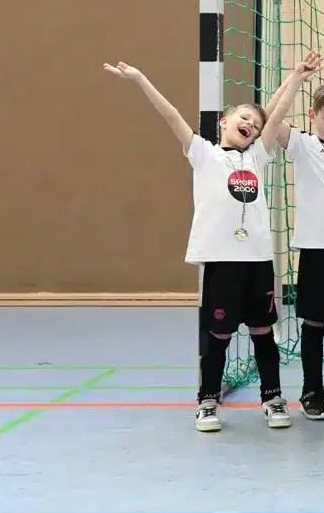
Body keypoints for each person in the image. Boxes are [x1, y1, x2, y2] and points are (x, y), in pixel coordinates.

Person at [103, 60, 292, 433]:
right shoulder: (203, 153)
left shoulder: (257, 156)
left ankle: (272, 399)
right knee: (218, 336)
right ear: (223, 120)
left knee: (263, 333)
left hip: (256, 261)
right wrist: (141, 79)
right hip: (222, 262)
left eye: (255, 124)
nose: (250, 125)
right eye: (243, 118)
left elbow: (276, 115)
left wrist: (296, 79)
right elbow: (171, 115)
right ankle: (207, 402)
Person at [261, 52, 324, 420]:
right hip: (317, 251)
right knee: (315, 322)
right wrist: (295, 79)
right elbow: (266, 120)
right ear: (312, 117)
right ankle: (311, 389)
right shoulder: (302, 144)